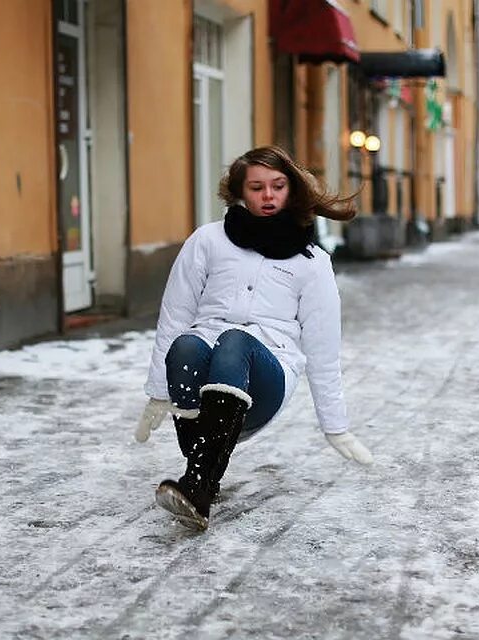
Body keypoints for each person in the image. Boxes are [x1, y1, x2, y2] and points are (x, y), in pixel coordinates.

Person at [134, 145, 373, 531]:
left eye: (277, 186)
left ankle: (200, 485)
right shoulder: (208, 241)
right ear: (239, 192)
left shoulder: (312, 263)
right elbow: (175, 316)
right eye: (257, 187)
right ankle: (198, 481)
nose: (268, 196)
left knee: (235, 341)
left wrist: (336, 426)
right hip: (200, 378)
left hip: (264, 378)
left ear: (291, 190)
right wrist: (158, 391)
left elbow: (322, 350)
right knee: (186, 344)